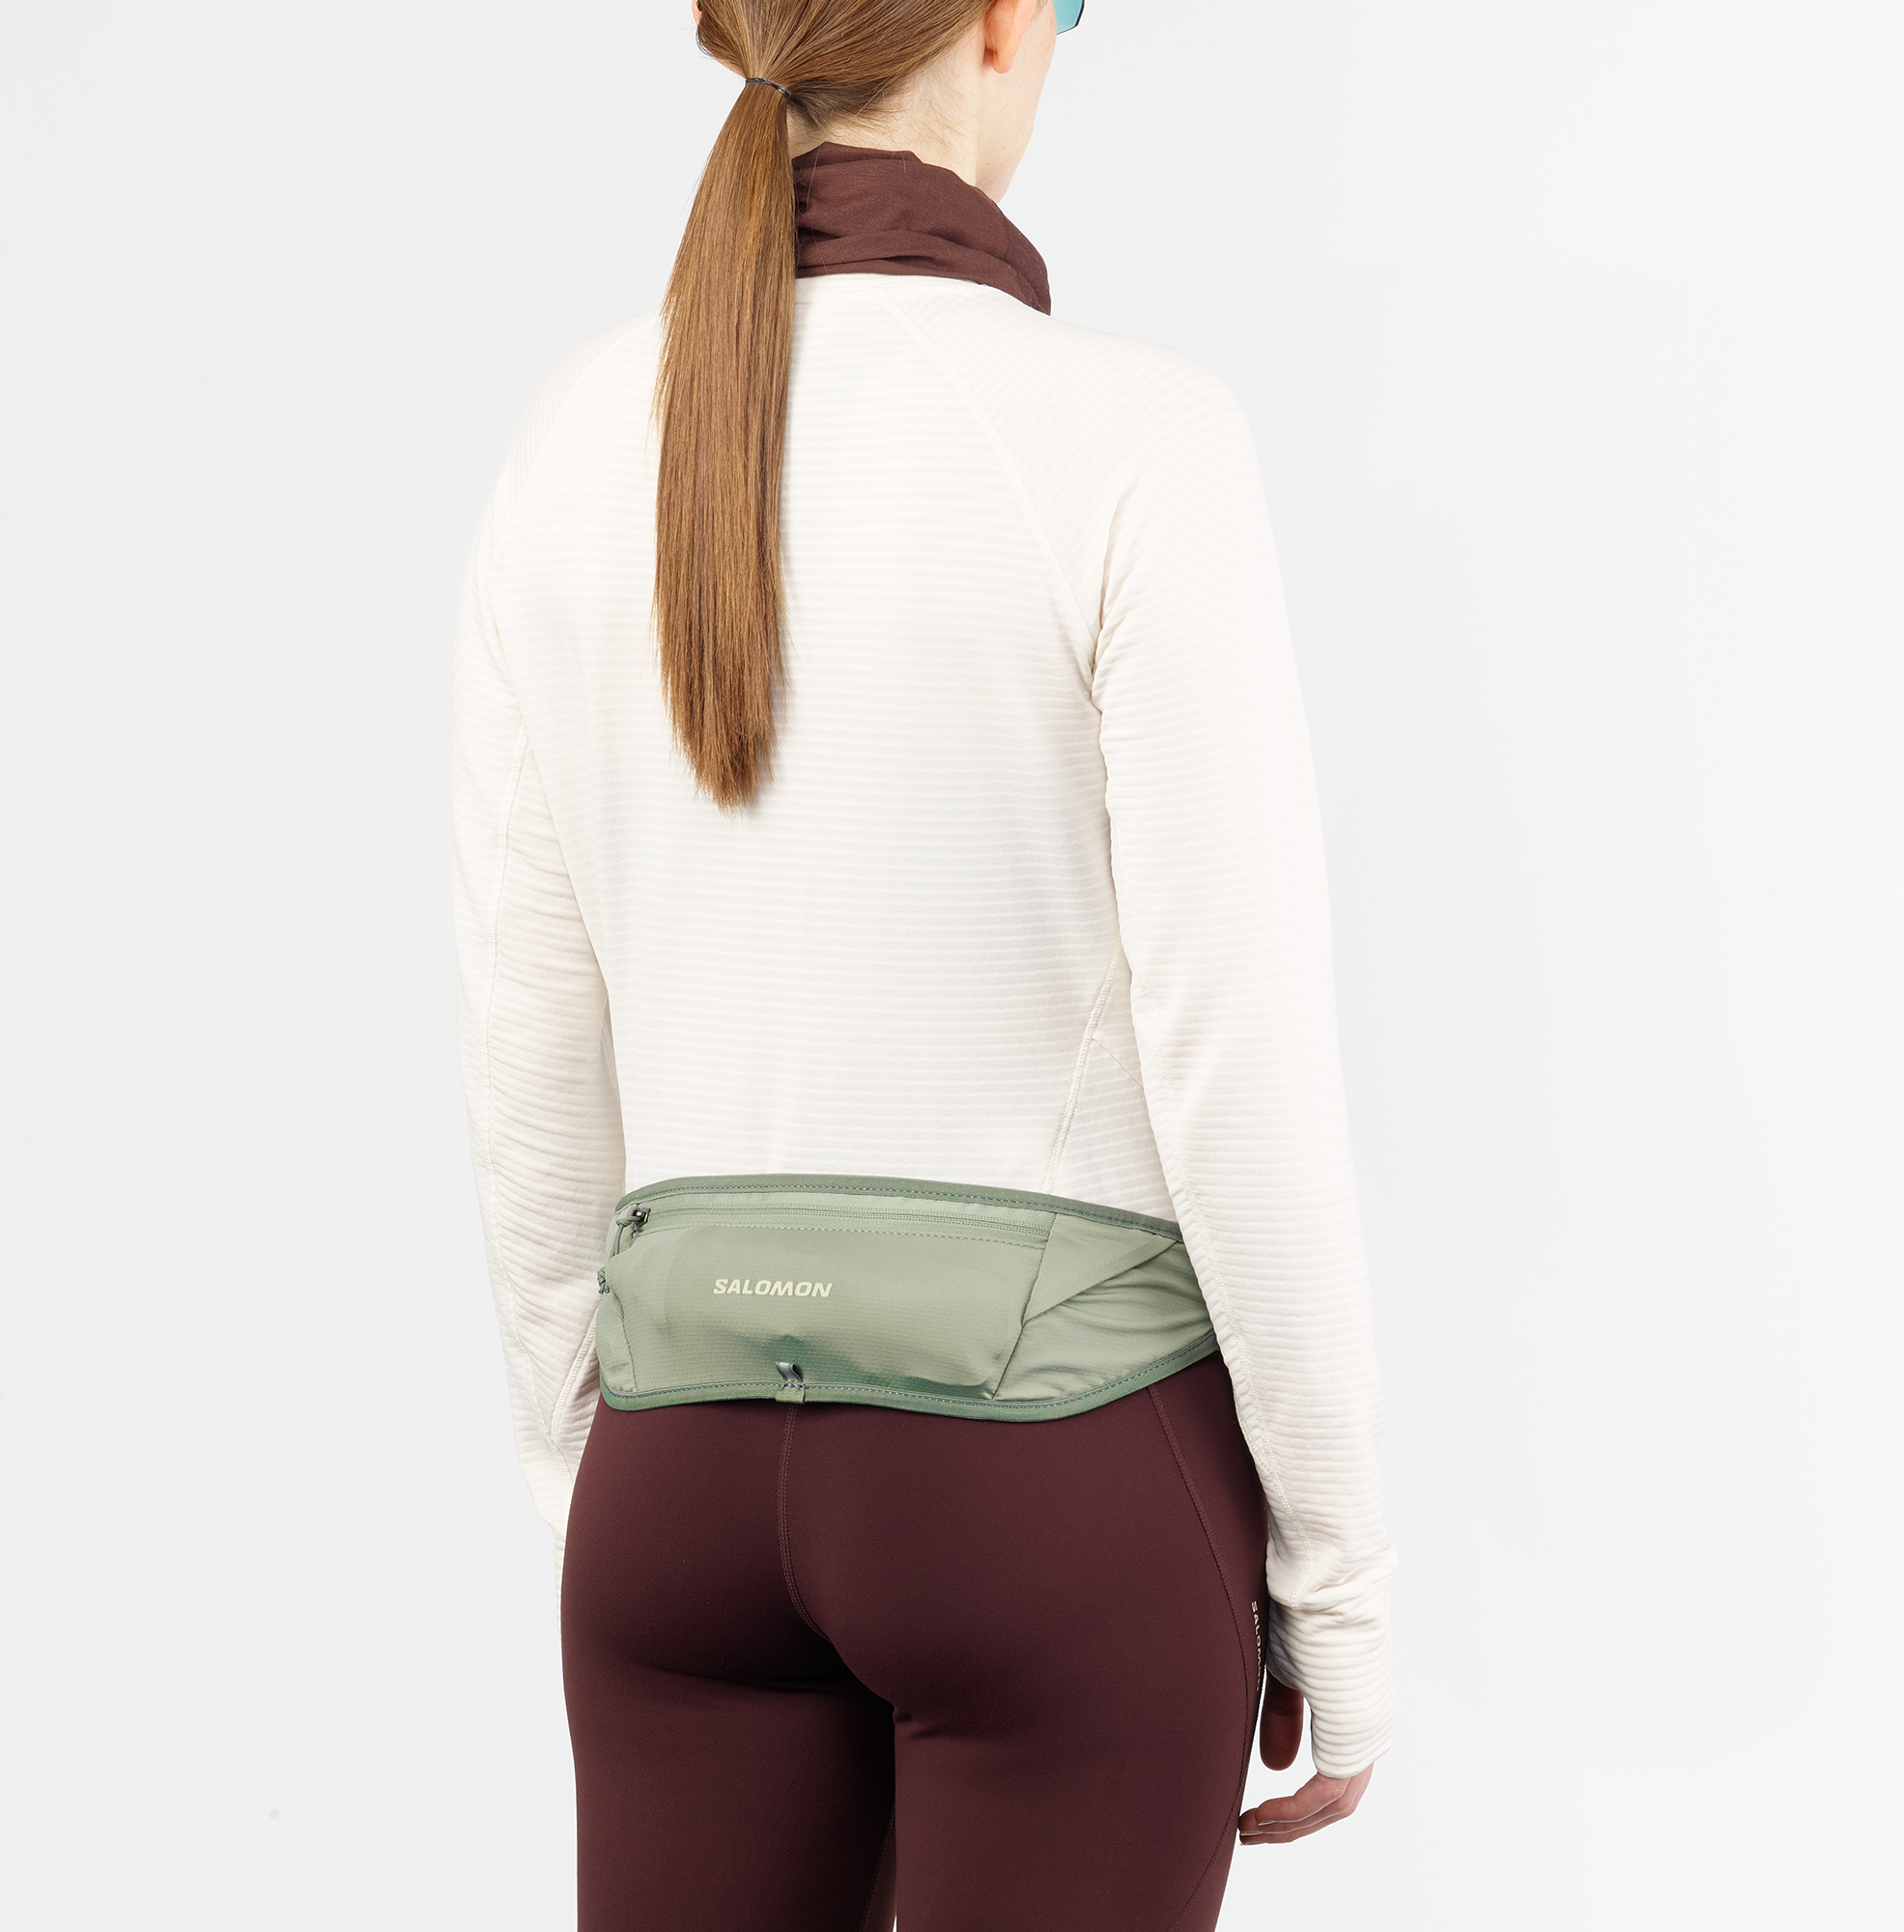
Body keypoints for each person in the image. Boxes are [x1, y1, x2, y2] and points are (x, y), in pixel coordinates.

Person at [452, 2, 1396, 1925]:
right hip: (1055, 1495)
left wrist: (601, 1491)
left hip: (674, 1489)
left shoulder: (570, 439)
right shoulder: (1138, 440)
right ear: (1000, 22)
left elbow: (531, 1053)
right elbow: (1240, 1072)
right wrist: (1341, 1589)